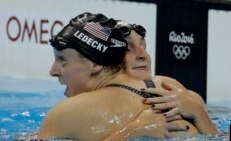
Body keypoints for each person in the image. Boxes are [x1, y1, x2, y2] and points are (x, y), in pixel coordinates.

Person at [37, 12, 199, 140]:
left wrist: (133, 132)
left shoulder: (65, 113)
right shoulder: (169, 89)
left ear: (94, 64)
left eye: (62, 60)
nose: (53, 71)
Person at [116, 21, 218, 135]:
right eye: (128, 49)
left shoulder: (182, 95)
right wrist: (134, 131)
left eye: (143, 46)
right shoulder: (100, 104)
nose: (143, 55)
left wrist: (199, 113)